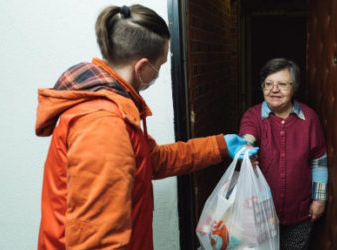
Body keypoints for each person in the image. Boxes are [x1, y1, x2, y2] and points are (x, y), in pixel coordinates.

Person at [35, 4, 257, 250]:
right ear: (141, 67)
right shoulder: (103, 124)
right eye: (159, 65)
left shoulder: (112, 108)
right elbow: (97, 240)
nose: (158, 73)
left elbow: (154, 160)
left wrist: (219, 145)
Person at [239, 58, 328, 250]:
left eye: (281, 84)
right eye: (268, 84)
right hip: (259, 212)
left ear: (294, 87)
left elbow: (319, 160)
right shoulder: (253, 115)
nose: (274, 90)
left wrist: (319, 199)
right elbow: (247, 136)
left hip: (299, 212)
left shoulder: (309, 118)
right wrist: (246, 147)